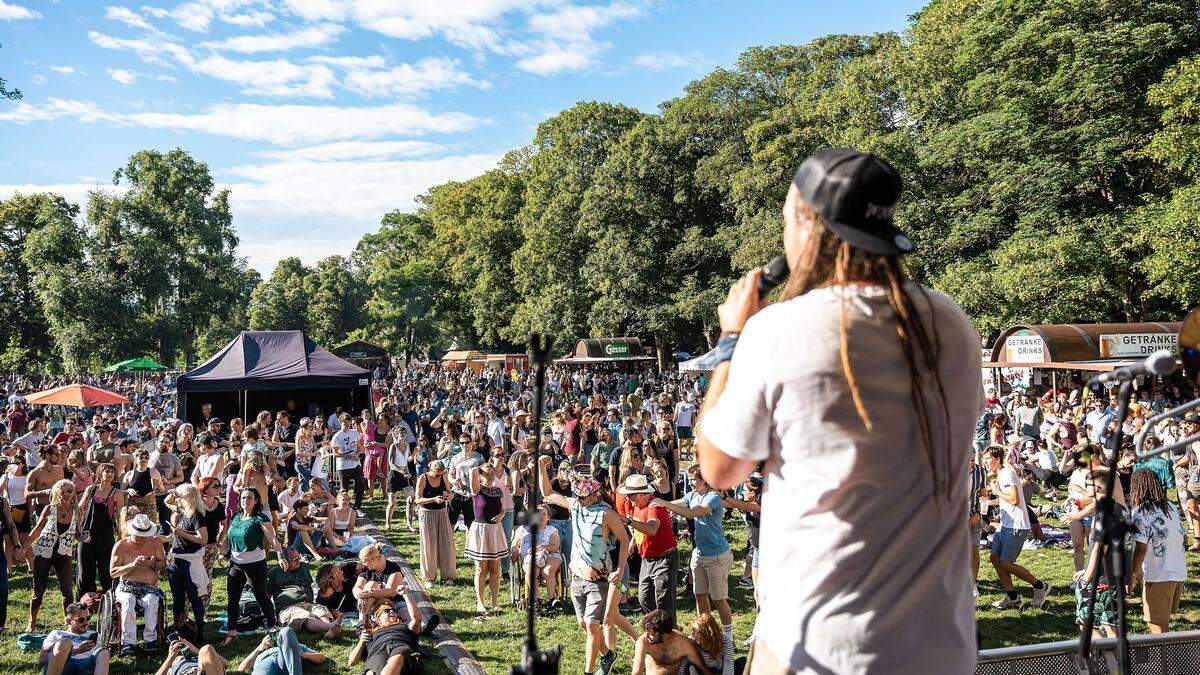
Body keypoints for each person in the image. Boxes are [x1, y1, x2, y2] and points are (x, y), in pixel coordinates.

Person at [695, 149, 985, 674]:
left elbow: (718, 468)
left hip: (820, 649)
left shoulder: (779, 330)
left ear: (808, 227)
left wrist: (731, 340)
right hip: (940, 644)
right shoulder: (950, 322)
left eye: (786, 218)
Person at [540, 455, 636, 675]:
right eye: (577, 495)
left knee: (593, 626)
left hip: (598, 579)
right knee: (584, 625)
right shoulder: (575, 506)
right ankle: (607, 655)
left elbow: (624, 539)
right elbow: (547, 493)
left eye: (583, 496)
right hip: (576, 577)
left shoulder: (606, 514)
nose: (579, 499)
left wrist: (620, 570)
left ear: (593, 493)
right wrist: (541, 468)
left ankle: (589, 672)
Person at [652, 465, 732, 633]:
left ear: (704, 480)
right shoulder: (693, 495)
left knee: (718, 599)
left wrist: (664, 503)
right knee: (700, 596)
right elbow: (675, 504)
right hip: (699, 554)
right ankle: (706, 632)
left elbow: (692, 513)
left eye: (694, 479)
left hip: (717, 555)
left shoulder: (713, 497)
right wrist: (653, 505)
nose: (690, 483)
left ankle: (727, 634)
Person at [986, 446, 1052, 609]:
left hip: (1016, 525)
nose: (986, 462)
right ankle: (1013, 598)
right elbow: (1010, 499)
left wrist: (995, 491)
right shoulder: (1002, 474)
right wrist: (990, 502)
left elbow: (1014, 499)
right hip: (1006, 525)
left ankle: (1040, 586)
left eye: (988, 459)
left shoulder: (1007, 474)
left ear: (997, 460)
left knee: (1006, 563)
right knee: (995, 559)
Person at [1128, 468, 1188, 633]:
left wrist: (1132, 575)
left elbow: (1140, 548)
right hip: (1178, 572)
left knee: (1158, 628)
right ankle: (1166, 658)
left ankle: (1165, 659)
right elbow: (1184, 537)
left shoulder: (1140, 512)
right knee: (1162, 624)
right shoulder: (1170, 506)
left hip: (1159, 575)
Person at [223, 487, 282, 645]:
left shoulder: (260, 517)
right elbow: (228, 537)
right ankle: (232, 632)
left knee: (261, 596)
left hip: (255, 564)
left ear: (256, 501)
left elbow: (272, 538)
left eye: (249, 497)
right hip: (236, 563)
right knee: (233, 599)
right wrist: (223, 552)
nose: (245, 500)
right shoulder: (236, 516)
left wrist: (280, 555)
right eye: (243, 497)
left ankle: (272, 629)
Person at [617, 474, 677, 620]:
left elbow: (651, 529)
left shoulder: (654, 507)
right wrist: (633, 543)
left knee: (664, 602)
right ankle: (657, 626)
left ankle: (670, 631)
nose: (628, 499)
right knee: (644, 599)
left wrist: (629, 521)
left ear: (642, 494)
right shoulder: (638, 505)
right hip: (647, 559)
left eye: (631, 495)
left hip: (664, 559)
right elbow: (640, 529)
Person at [109, 513, 167, 656]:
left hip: (150, 587)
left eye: (145, 534)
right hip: (127, 586)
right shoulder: (121, 546)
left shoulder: (155, 542)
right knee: (128, 601)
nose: (142, 537)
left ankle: (151, 639)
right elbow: (113, 572)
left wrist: (152, 564)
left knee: (152, 601)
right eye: (139, 534)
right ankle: (128, 642)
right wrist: (133, 565)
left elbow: (163, 564)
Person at [29, 479, 80, 631]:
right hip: (44, 550)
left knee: (67, 591)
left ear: (73, 493)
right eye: (62, 491)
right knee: (38, 589)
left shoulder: (77, 511)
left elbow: (77, 533)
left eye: (69, 491)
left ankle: (68, 622)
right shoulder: (49, 509)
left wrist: (83, 537)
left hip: (63, 552)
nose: (65, 494)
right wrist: (24, 547)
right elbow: (37, 529)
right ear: (56, 493)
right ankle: (32, 621)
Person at [166, 483, 209, 643]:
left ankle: (200, 631)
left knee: (194, 596)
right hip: (176, 559)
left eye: (180, 495)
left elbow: (203, 539)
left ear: (188, 496)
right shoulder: (183, 512)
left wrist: (182, 533)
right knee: (177, 597)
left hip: (189, 561)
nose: (178, 498)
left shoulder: (196, 515)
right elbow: (166, 502)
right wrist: (173, 493)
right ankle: (178, 627)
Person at [464, 462, 507, 617]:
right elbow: (471, 475)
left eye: (492, 474)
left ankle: (494, 601)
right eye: (486, 474)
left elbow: (502, 509)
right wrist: (478, 468)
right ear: (480, 475)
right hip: (481, 530)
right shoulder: (477, 489)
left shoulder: (497, 490)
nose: (489, 477)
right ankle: (480, 602)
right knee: (481, 568)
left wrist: (502, 515)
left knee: (495, 568)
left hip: (495, 530)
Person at [269, 547, 341, 640]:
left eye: (299, 558)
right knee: (303, 616)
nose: (298, 561)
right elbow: (267, 595)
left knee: (320, 610)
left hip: (308, 603)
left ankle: (329, 629)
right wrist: (270, 616)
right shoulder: (274, 573)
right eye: (295, 559)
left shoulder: (304, 567)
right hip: (289, 607)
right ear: (285, 560)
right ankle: (329, 627)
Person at [77, 463, 124, 596]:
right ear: (100, 473)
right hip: (87, 533)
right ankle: (84, 600)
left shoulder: (117, 493)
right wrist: (77, 530)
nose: (110, 474)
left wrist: (121, 535)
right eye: (107, 471)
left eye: (112, 472)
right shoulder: (90, 490)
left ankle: (110, 600)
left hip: (106, 534)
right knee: (85, 568)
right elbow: (80, 508)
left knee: (106, 569)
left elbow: (120, 516)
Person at [631, 610, 713, 675]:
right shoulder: (643, 642)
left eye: (651, 634)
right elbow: (637, 672)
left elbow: (702, 668)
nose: (645, 636)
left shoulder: (683, 643)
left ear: (665, 634)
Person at [510, 505, 563, 605]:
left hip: (550, 555)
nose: (541, 516)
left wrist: (541, 548)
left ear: (548, 518)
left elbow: (555, 546)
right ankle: (538, 599)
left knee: (547, 571)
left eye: (544, 514)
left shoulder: (552, 530)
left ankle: (552, 599)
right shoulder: (523, 529)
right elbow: (515, 544)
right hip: (529, 557)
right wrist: (515, 551)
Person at [346, 605, 421, 675]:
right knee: (371, 672)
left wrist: (405, 594)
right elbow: (352, 662)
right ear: (378, 619)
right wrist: (361, 641)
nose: (392, 612)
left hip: (400, 645)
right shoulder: (371, 633)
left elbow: (417, 619)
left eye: (394, 611)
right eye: (387, 611)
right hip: (378, 650)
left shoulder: (405, 626)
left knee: (398, 656)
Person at [414, 460, 455, 588]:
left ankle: (448, 576)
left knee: (446, 544)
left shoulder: (443, 476)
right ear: (430, 469)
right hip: (427, 514)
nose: (439, 476)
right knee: (429, 545)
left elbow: (450, 492)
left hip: (442, 513)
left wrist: (450, 496)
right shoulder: (423, 478)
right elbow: (418, 499)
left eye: (441, 473)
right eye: (437, 474)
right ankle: (429, 577)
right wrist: (433, 499)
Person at [40, 602, 111, 675]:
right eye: (81, 620)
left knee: (104, 652)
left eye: (88, 618)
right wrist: (77, 650)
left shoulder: (94, 635)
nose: (85, 622)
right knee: (65, 643)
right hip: (63, 666)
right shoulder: (56, 633)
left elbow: (100, 660)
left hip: (85, 666)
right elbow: (43, 659)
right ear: (68, 621)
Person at [235, 629, 326, 675]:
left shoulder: (295, 646)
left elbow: (322, 657)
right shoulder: (261, 650)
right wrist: (259, 648)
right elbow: (241, 669)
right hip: (265, 667)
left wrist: (303, 654)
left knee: (286, 631)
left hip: (286, 663)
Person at [332, 416, 364, 509]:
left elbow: (360, 447)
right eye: (343, 423)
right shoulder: (337, 436)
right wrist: (349, 456)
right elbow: (335, 453)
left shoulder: (354, 432)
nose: (346, 424)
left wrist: (357, 454)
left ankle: (357, 506)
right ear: (340, 423)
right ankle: (342, 507)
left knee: (361, 484)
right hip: (343, 466)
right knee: (344, 489)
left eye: (347, 422)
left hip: (356, 464)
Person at [154, 637, 229, 675]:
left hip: (208, 671)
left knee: (207, 649)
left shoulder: (200, 658)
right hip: (188, 673)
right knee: (207, 649)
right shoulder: (171, 668)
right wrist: (170, 658)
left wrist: (196, 650)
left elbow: (227, 664)